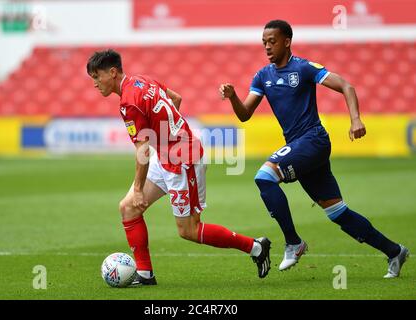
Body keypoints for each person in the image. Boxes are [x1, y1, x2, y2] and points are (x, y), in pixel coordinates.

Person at [219, 20, 409, 278]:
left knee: (264, 176)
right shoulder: (263, 76)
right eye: (264, 42)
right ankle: (394, 251)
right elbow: (244, 115)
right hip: (299, 147)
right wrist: (232, 97)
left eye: (272, 41)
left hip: (313, 140)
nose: (267, 46)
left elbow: (346, 86)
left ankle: (293, 242)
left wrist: (355, 119)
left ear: (287, 41)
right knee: (337, 212)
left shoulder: (304, 68)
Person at [87, 49, 271, 285]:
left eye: (96, 76)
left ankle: (255, 247)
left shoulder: (128, 103)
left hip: (182, 161)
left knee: (189, 230)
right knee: (128, 209)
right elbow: (176, 98)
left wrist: (139, 187)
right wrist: (170, 135)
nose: (94, 83)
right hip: (166, 156)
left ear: (112, 72)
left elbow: (142, 151)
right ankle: (144, 274)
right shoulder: (144, 80)